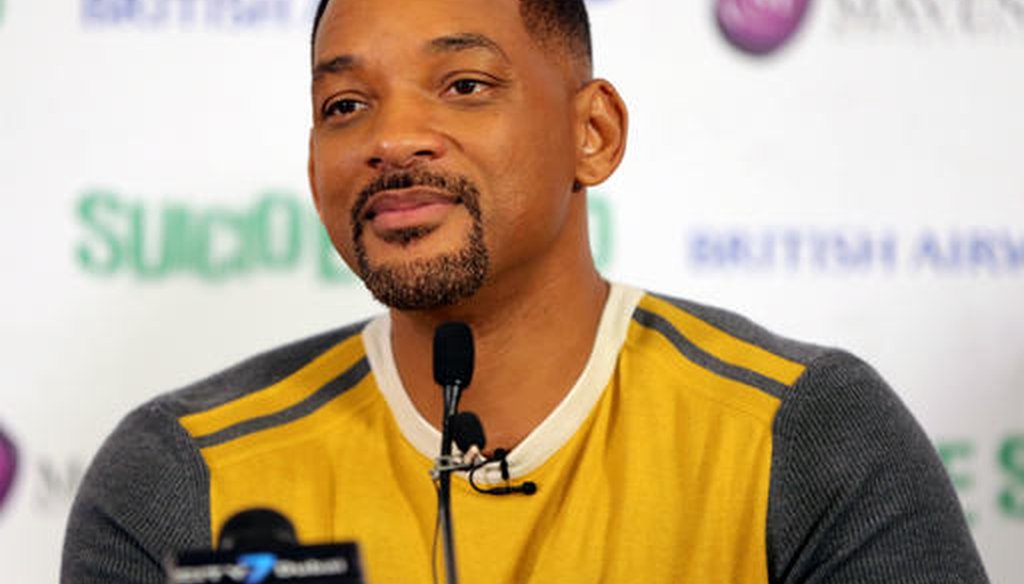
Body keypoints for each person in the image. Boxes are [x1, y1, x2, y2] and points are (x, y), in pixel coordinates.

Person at [62, 0, 989, 582]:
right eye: (345, 106)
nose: (394, 138)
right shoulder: (180, 475)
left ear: (594, 132)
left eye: (463, 84)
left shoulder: (808, 434)